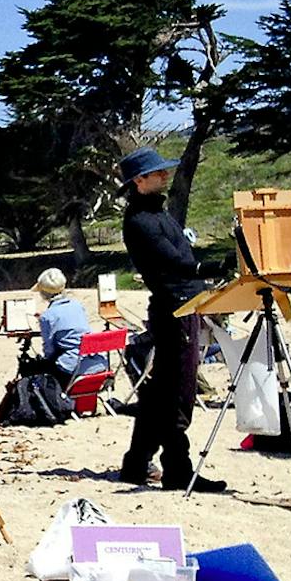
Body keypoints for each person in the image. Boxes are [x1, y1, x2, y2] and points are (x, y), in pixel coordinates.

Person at [114, 149, 223, 492]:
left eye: (164, 171)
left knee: (159, 392)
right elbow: (171, 261)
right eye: (157, 173)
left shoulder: (157, 212)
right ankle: (178, 468)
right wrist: (207, 269)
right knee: (177, 393)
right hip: (173, 309)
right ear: (139, 181)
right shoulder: (139, 221)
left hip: (182, 305)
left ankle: (136, 462)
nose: (164, 176)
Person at [34, 268, 106, 381]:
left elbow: (49, 350)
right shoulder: (77, 305)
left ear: (43, 293)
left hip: (72, 367)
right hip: (97, 361)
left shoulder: (47, 316)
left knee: (38, 368)